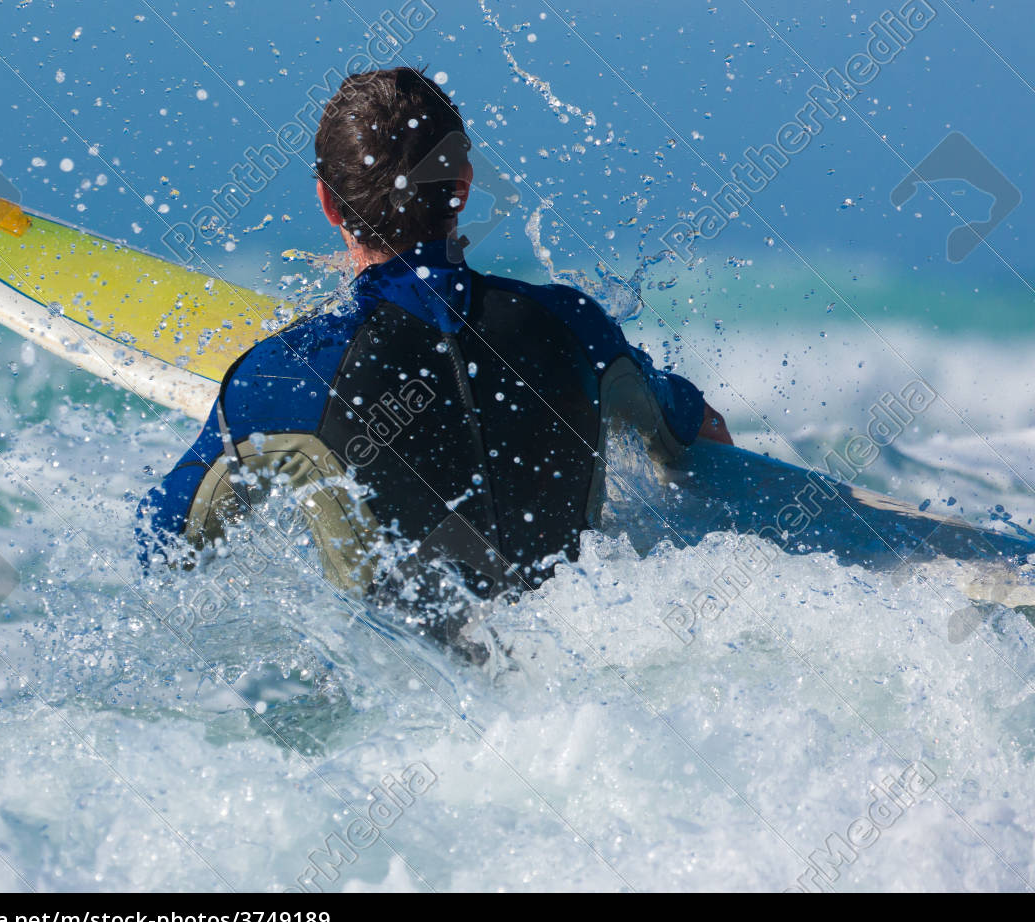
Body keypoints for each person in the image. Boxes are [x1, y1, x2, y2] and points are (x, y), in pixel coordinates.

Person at [138, 67, 730, 656]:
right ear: (463, 186)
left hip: (402, 717)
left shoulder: (285, 372)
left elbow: (163, 545)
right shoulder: (575, 325)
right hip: (574, 681)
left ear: (327, 201)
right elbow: (703, 432)